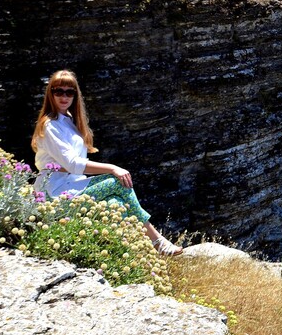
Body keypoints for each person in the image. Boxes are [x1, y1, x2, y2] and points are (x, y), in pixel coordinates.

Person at [31, 69, 182, 255]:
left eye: (69, 92)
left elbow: (72, 164)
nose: (64, 97)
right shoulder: (50, 125)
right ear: (50, 94)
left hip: (72, 185)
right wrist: (113, 168)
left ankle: (143, 254)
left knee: (116, 204)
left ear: (75, 95)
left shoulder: (68, 120)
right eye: (58, 91)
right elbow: (73, 164)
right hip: (54, 196)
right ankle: (157, 242)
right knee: (117, 181)